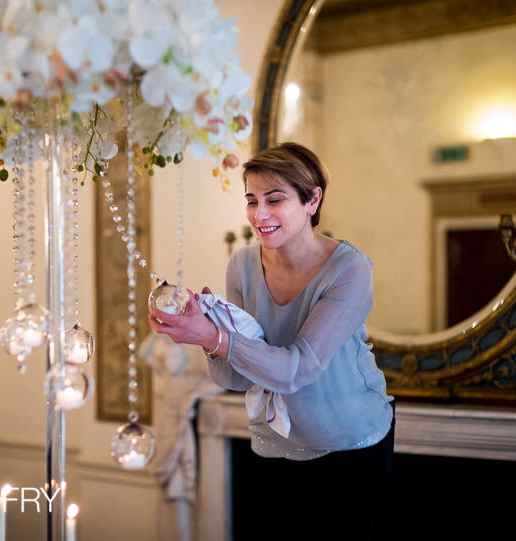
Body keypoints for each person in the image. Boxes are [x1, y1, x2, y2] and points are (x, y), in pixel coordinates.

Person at [148, 141, 394, 540]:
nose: (259, 215)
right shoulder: (243, 264)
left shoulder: (350, 270)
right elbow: (237, 379)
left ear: (312, 200)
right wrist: (207, 332)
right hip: (274, 440)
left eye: (274, 200)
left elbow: (298, 370)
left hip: (350, 444)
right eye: (251, 200)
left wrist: (217, 337)